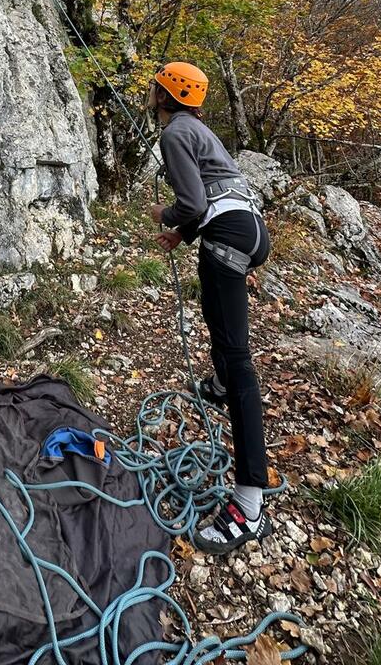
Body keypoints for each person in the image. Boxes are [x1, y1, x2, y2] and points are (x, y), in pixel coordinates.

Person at [148, 61, 273, 556]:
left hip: (227, 234)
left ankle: (247, 504)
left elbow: (195, 201)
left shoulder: (176, 132)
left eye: (156, 88)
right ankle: (218, 385)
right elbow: (217, 196)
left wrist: (171, 215)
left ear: (165, 95)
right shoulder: (200, 129)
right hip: (249, 228)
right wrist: (182, 234)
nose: (152, 93)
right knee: (217, 318)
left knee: (238, 358)